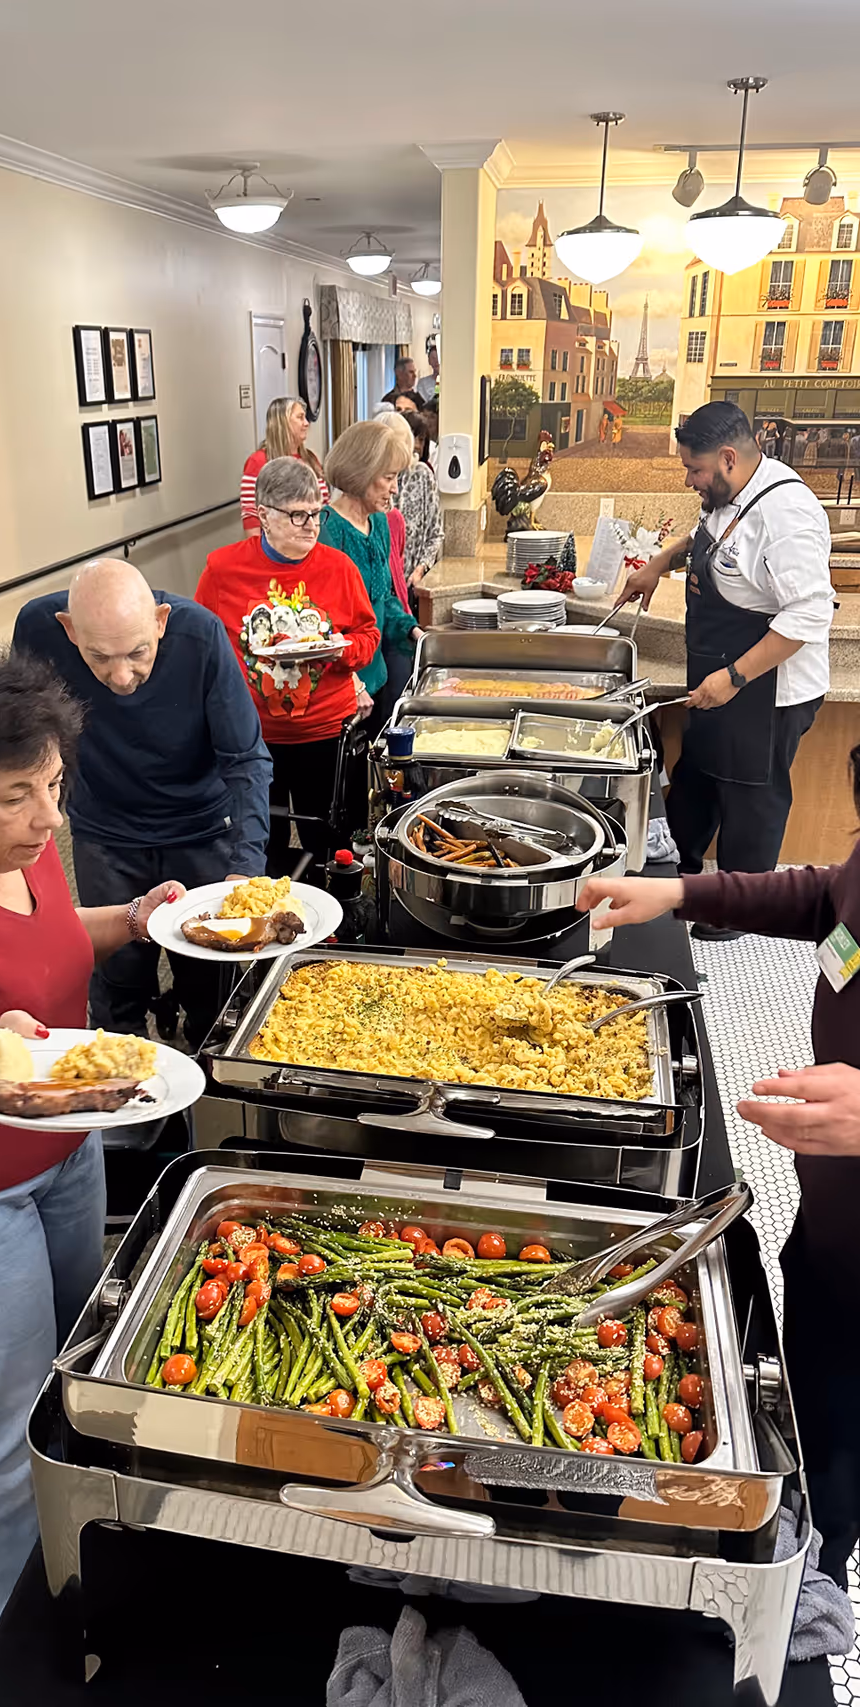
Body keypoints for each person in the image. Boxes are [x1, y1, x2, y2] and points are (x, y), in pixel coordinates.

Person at [0, 635, 186, 1643]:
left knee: (76, 1360)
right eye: (18, 794)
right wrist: (1, 1053)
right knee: (3, 1410)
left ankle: (81, 1540)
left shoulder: (24, 860)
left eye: (55, 786)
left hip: (66, 1160)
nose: (48, 818)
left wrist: (139, 920)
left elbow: (58, 947)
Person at [576, 745, 860, 1590]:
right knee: (812, 1424)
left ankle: (817, 1582)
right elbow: (832, 898)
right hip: (831, 1237)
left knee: (838, 1478)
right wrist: (680, 889)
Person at [13, 559, 271, 1046]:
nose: (122, 675)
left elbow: (247, 759)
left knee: (211, 982)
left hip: (200, 829)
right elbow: (23, 741)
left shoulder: (201, 635)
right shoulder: (38, 628)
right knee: (114, 984)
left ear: (160, 621)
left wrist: (245, 865)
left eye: (137, 653)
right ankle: (127, 1101)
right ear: (69, 630)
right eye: (99, 657)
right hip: (105, 834)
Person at [622, 401, 833, 935]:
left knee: (751, 799)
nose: (689, 479)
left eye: (695, 470)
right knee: (700, 776)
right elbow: (705, 539)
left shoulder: (786, 513)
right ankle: (680, 877)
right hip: (719, 676)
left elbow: (807, 614)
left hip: (767, 692)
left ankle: (740, 913)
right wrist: (657, 564)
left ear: (729, 458)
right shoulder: (729, 493)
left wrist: (736, 677)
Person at [196, 458, 380, 877]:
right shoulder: (222, 569)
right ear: (263, 514)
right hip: (251, 740)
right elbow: (204, 650)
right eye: (298, 515)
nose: (311, 525)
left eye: (317, 513)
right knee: (259, 850)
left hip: (323, 734)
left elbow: (368, 638)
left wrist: (340, 651)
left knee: (332, 848)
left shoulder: (339, 568)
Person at [318, 420, 423, 726]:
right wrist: (352, 682)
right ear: (360, 474)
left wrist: (414, 632)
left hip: (375, 674)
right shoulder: (327, 530)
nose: (395, 488)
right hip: (343, 684)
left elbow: (384, 599)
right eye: (389, 477)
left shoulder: (380, 523)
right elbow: (322, 626)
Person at [240, 396, 328, 537]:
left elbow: (324, 505)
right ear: (282, 423)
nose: (306, 423)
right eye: (300, 417)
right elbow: (251, 516)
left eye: (305, 418)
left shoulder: (310, 459)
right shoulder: (258, 461)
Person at [392, 410, 444, 592]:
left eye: (422, 440)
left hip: (410, 583)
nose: (417, 445)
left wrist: (420, 569)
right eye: (413, 438)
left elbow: (435, 532)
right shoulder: (373, 479)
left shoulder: (422, 474)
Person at [417, 336, 440, 404]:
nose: (436, 361)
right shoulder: (423, 383)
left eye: (438, 358)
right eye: (433, 358)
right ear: (429, 361)